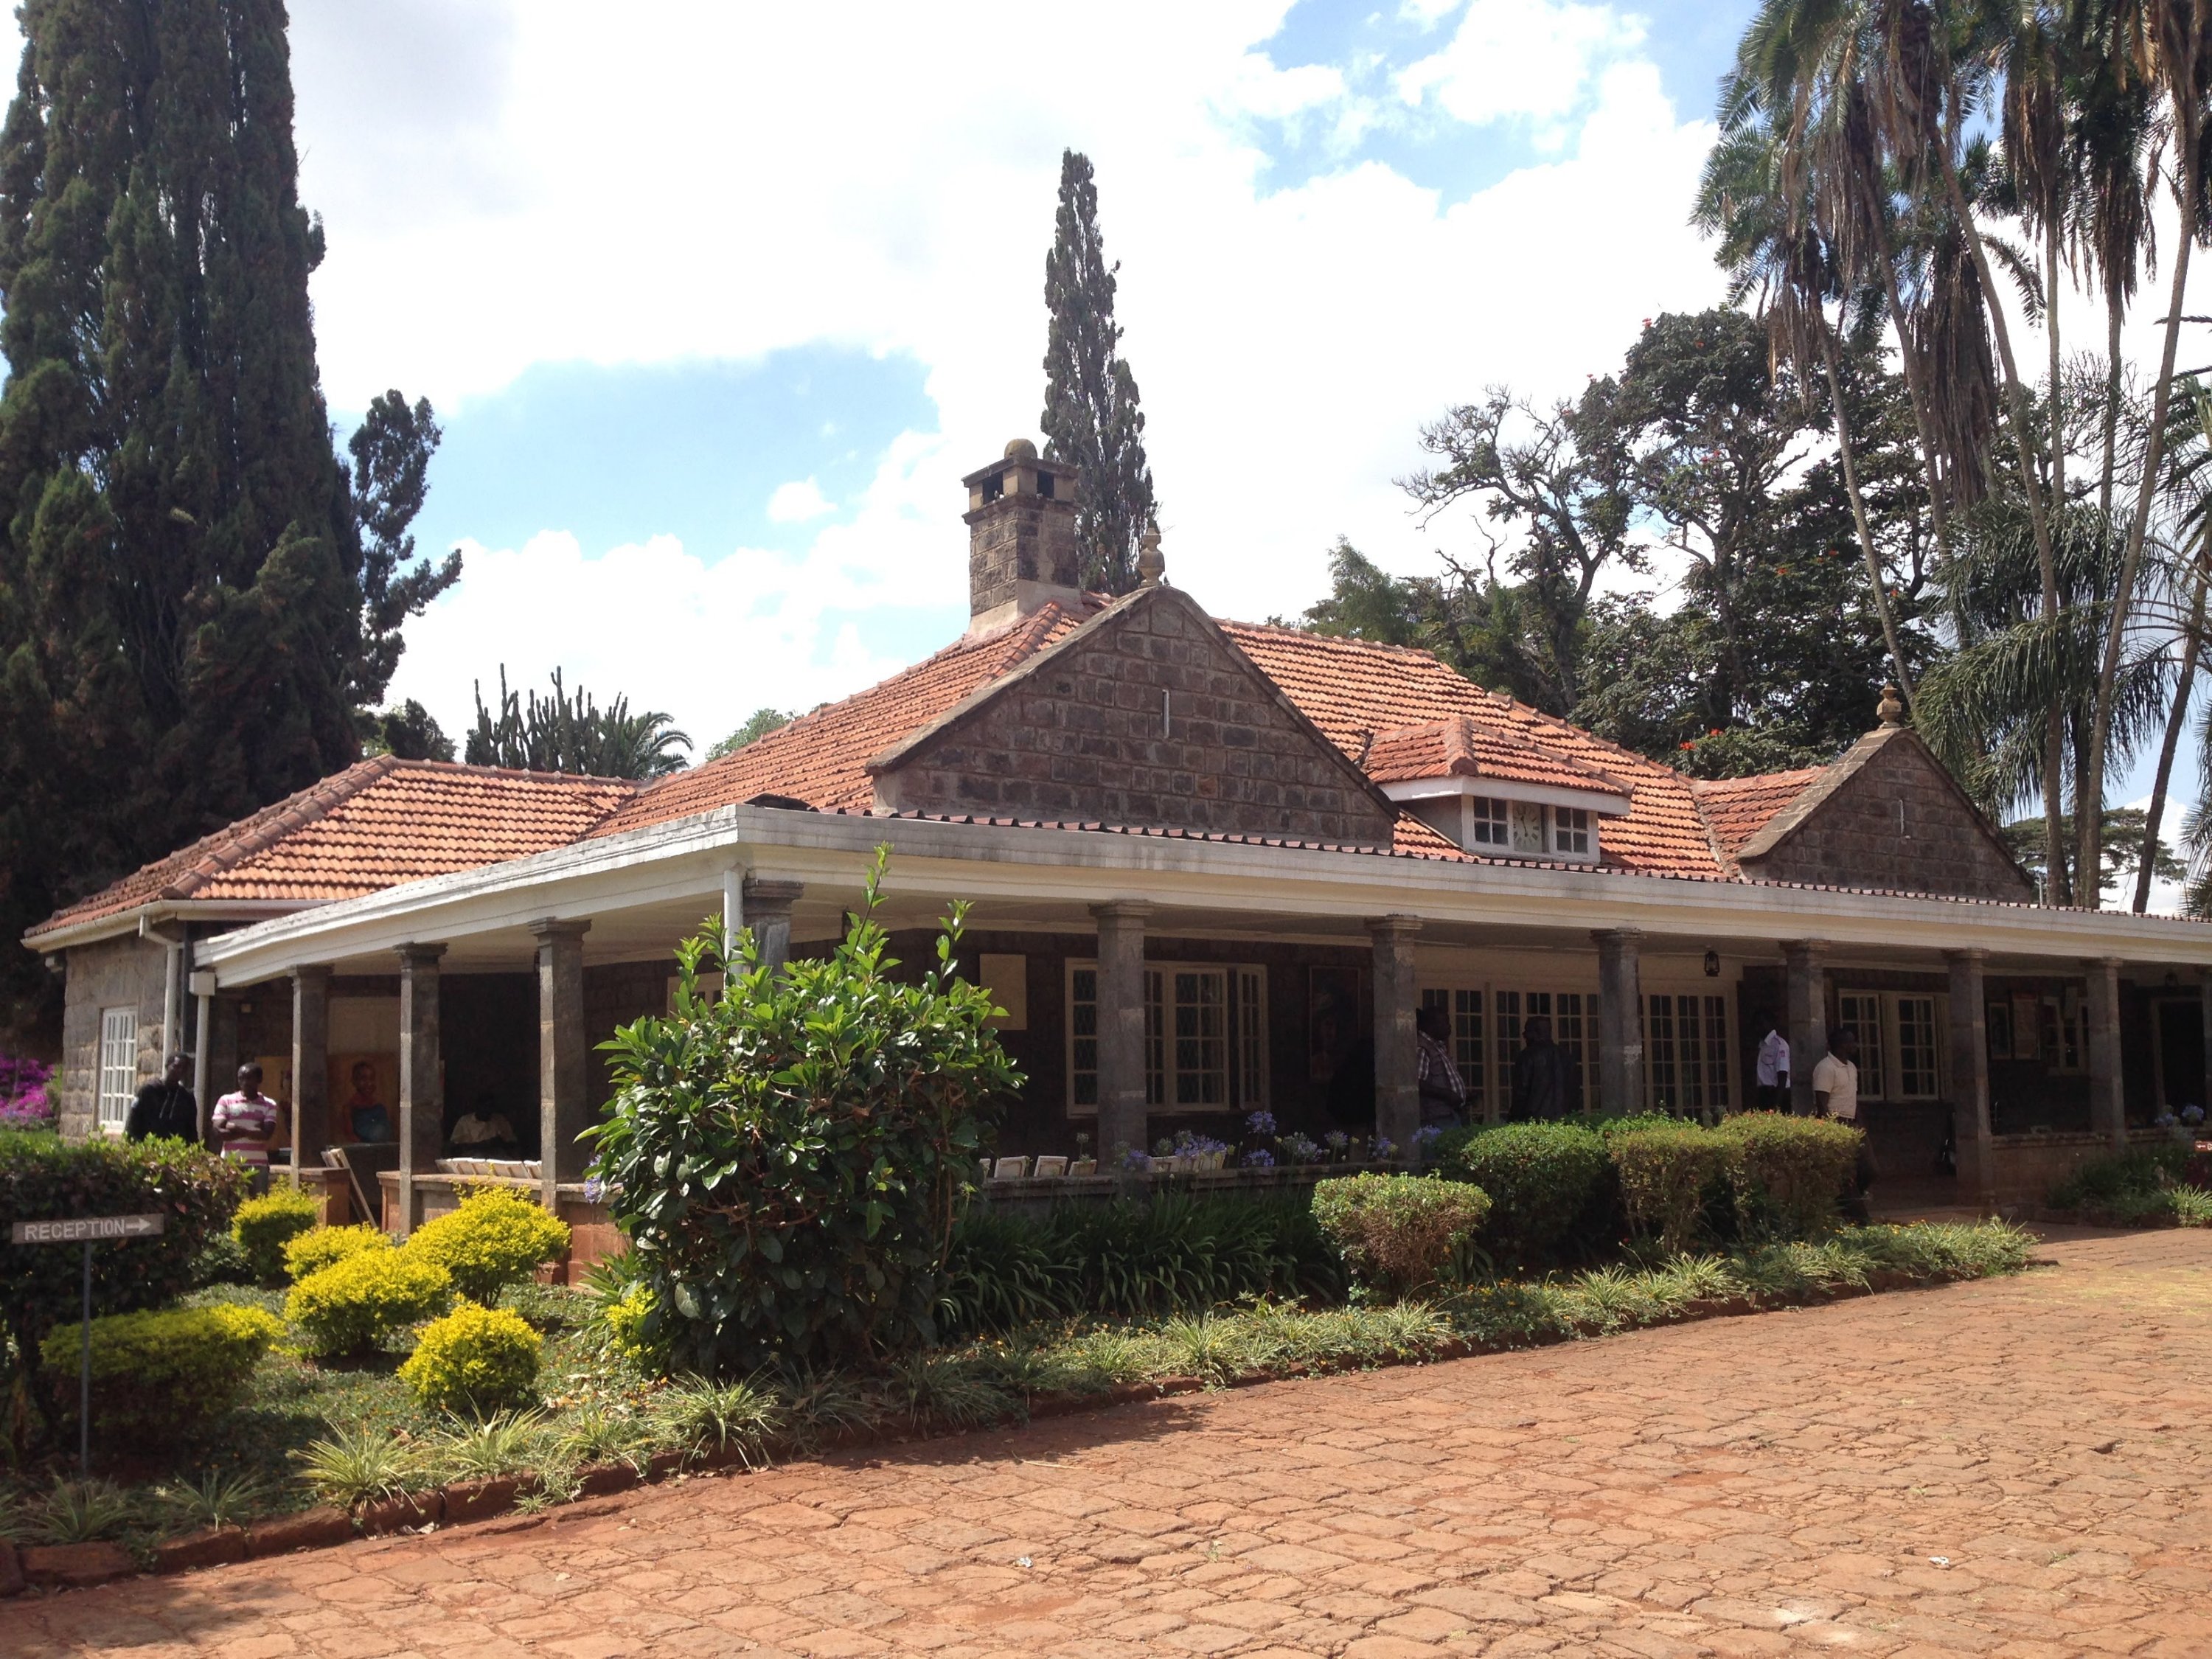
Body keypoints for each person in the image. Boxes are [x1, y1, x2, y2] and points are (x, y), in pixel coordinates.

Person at [1812, 1026, 1879, 1220]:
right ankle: (1856, 1216)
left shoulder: (1851, 1068)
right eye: (1852, 1042)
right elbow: (1822, 1104)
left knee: (1871, 1169)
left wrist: (1862, 1126)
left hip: (1853, 1124)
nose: (1855, 1045)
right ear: (1842, 1045)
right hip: (1837, 1123)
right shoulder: (1825, 1068)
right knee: (1846, 1174)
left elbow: (1853, 1099)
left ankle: (1848, 1202)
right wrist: (1830, 1130)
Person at [210, 1062, 282, 1192]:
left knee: (258, 1201)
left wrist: (235, 1128)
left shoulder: (269, 1104)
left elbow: (266, 1135)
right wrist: (254, 1132)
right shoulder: (226, 1101)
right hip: (230, 1163)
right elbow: (218, 1132)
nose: (244, 1082)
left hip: (258, 1165)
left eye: (249, 1078)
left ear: (259, 1079)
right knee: (231, 1200)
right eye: (241, 1078)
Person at [1512, 1015, 1573, 1121]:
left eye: (1527, 1032)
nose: (1524, 1036)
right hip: (1564, 1120)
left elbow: (1521, 1091)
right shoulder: (1566, 1056)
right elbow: (1574, 1091)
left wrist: (1514, 1118)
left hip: (1534, 1120)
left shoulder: (1528, 1056)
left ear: (1535, 1033)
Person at [125, 1053, 198, 1142]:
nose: (180, 1071)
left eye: (184, 1069)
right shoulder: (148, 1091)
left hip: (174, 1148)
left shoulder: (186, 1098)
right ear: (167, 1066)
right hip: (147, 1146)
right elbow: (133, 1121)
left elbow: (192, 1132)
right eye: (176, 1067)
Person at [1416, 1005, 1466, 1128]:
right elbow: (1418, 1083)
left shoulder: (1438, 1046)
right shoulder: (1423, 1048)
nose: (1449, 1027)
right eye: (1445, 1022)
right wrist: (1446, 1094)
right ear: (1431, 1025)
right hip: (1435, 1118)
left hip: (1450, 1113)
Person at [340, 1060, 392, 1143]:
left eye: (372, 1079)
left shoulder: (380, 1108)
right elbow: (350, 1137)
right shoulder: (349, 1109)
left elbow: (387, 1135)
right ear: (354, 1081)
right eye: (363, 1079)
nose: (369, 1083)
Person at [1755, 1015, 1792, 1111]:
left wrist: (1777, 1105)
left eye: (1761, 1024)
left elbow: (1782, 1074)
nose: (1758, 1028)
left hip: (1776, 1093)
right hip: (1764, 1093)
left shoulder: (1779, 1045)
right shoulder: (1763, 1045)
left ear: (1770, 1024)